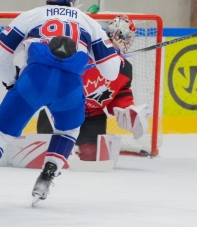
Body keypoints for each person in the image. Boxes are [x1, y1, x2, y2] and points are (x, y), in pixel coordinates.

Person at [0, 0, 122, 210]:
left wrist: (12, 81)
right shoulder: (89, 23)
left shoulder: (30, 16)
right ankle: (47, 176)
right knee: (69, 128)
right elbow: (110, 72)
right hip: (69, 89)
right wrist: (115, 56)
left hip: (32, 82)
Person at [37, 15, 152, 160]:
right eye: (128, 37)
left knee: (93, 157)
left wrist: (127, 110)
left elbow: (121, 94)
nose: (129, 41)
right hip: (61, 111)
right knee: (46, 157)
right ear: (118, 37)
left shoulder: (124, 68)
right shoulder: (83, 53)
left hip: (92, 117)